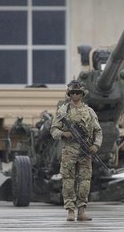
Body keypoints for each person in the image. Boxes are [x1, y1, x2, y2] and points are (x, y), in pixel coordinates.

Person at [50, 80, 103, 221]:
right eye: (72, 92)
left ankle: (81, 210)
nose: (75, 95)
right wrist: (63, 134)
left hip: (85, 151)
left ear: (82, 94)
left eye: (78, 93)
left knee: (85, 181)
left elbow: (98, 131)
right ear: (69, 94)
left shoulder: (89, 111)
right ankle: (70, 211)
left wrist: (96, 145)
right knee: (68, 181)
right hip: (70, 150)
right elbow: (53, 130)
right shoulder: (63, 110)